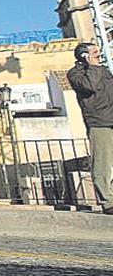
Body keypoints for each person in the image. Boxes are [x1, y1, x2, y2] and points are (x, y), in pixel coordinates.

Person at [66, 42, 113, 215]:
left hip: (111, 117)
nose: (98, 55)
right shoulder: (75, 74)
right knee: (103, 163)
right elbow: (90, 86)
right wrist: (92, 66)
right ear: (84, 56)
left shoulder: (104, 71)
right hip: (99, 122)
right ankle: (107, 201)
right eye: (94, 53)